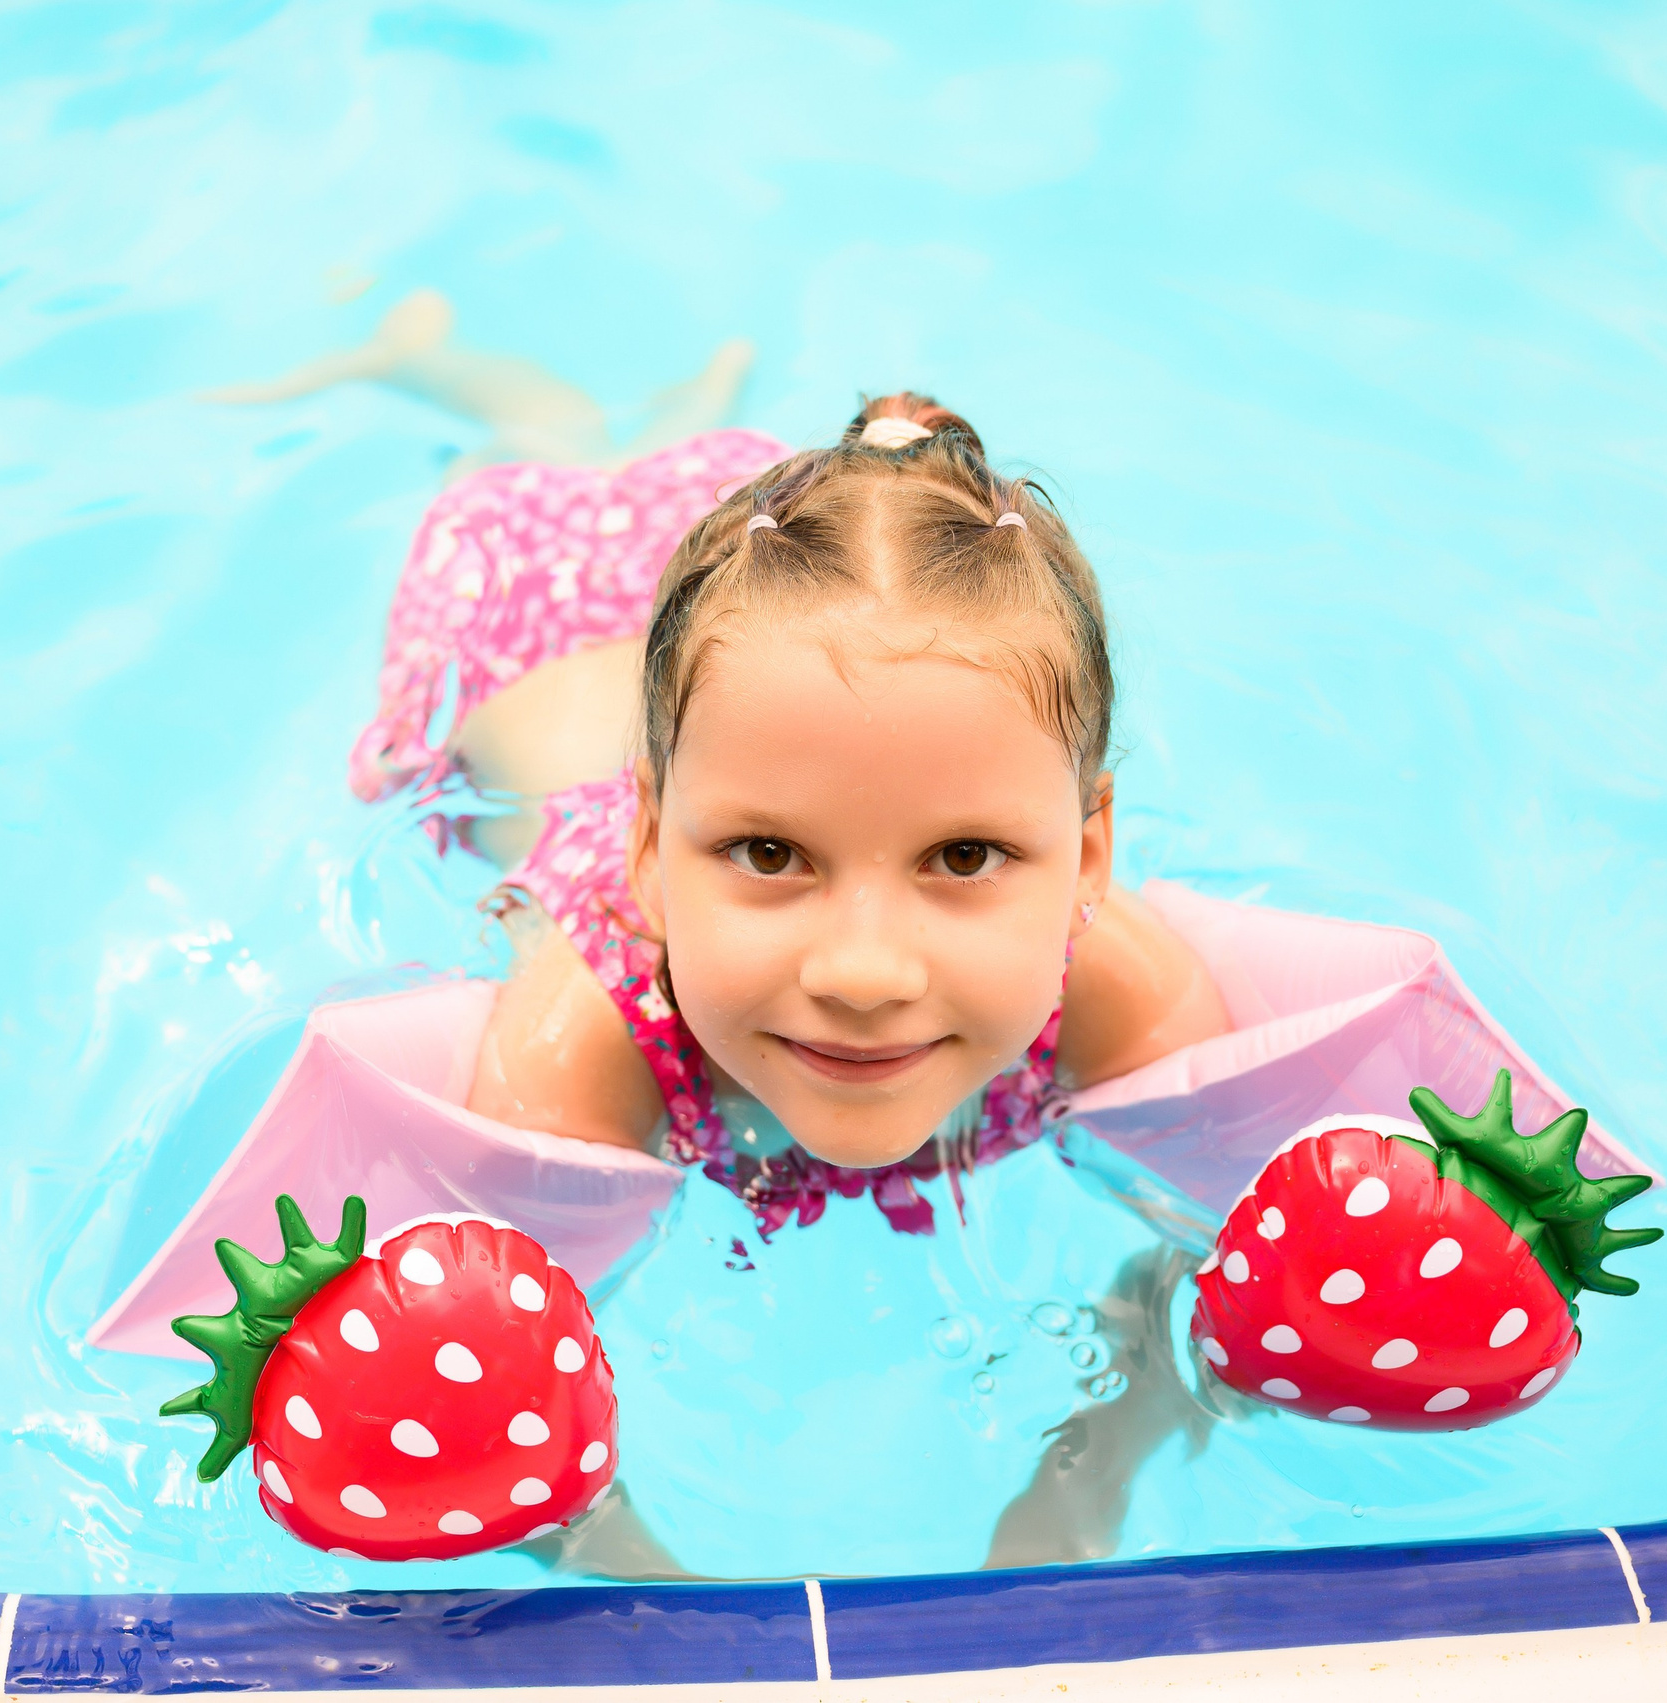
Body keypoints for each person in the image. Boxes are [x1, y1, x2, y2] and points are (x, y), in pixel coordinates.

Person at [217, 295, 1237, 1570]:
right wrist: (662, 1599)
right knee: (537, 447)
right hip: (532, 639)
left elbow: (1197, 1272)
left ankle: (666, 417)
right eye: (766, 853)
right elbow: (507, 1393)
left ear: (1088, 851)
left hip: (748, 636)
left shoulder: (1119, 984)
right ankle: (433, 357)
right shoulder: (580, 1042)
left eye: (964, 856)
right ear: (648, 849)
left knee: (614, 465)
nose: (864, 971)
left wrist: (1079, 1485)